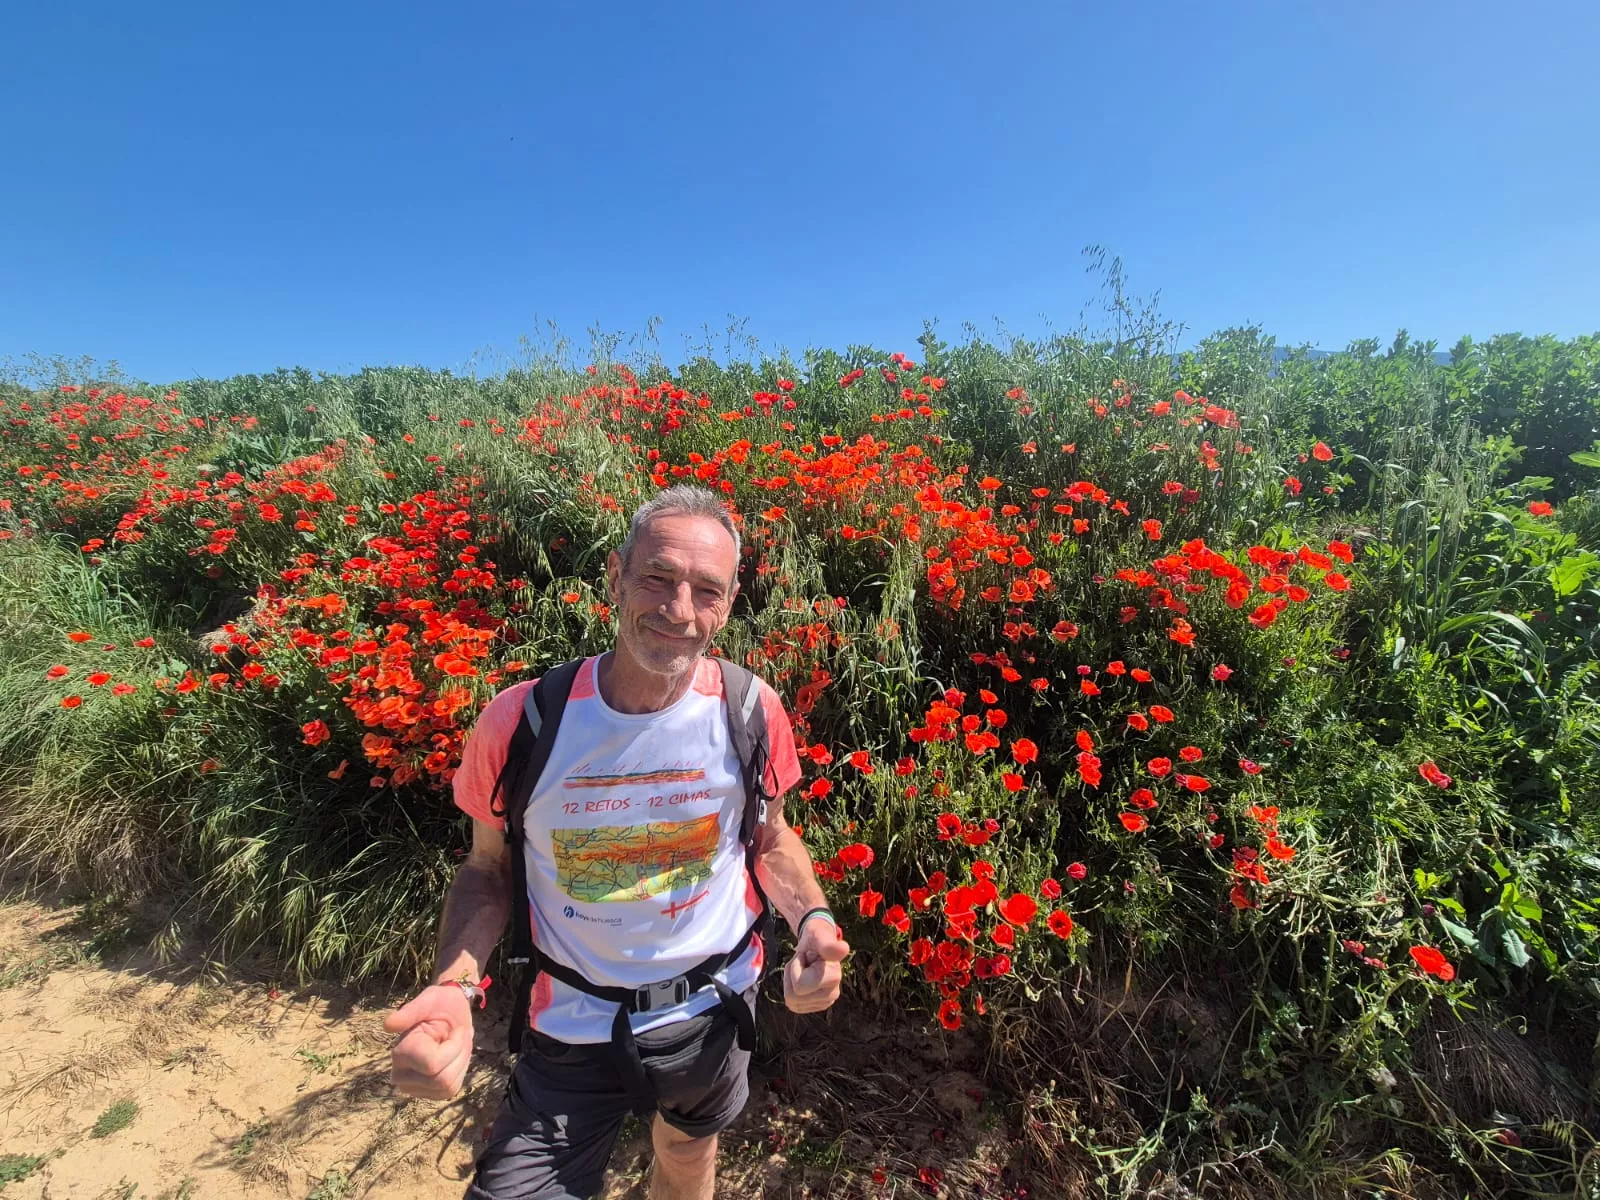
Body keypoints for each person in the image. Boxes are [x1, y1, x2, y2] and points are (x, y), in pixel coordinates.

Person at [384, 484, 851, 1200]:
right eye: (658, 578)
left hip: (713, 1011)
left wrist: (812, 920)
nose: (679, 609)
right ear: (615, 576)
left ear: (729, 604)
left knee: (687, 1156)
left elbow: (771, 841)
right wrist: (454, 985)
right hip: (571, 1027)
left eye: (707, 591)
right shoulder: (522, 723)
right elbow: (486, 870)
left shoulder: (750, 709)